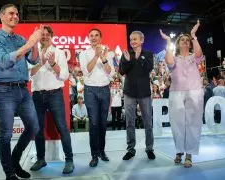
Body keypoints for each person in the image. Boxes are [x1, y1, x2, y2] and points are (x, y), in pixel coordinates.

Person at [0, 4, 41, 180]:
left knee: (33, 127)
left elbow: (34, 60)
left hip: (23, 90)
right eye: (11, 13)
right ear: (2, 16)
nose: (15, 16)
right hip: (4, 90)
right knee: (6, 134)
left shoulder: (20, 39)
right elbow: (3, 61)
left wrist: (34, 44)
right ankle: (9, 173)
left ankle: (15, 161)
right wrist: (30, 43)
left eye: (17, 14)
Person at [29, 25, 74, 174]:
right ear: (39, 37)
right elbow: (30, 74)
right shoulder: (33, 54)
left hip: (54, 94)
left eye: (47, 34)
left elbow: (64, 76)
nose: (45, 37)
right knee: (38, 129)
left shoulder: (59, 52)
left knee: (62, 127)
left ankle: (69, 160)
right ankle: (41, 159)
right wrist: (41, 63)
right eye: (42, 34)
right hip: (37, 96)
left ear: (51, 36)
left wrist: (53, 63)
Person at [160, 20, 204, 168]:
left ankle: (189, 153)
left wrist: (193, 36)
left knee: (193, 123)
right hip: (176, 93)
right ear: (178, 44)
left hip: (195, 92)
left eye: (187, 41)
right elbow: (169, 61)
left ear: (190, 44)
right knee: (178, 124)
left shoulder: (193, 58)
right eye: (182, 40)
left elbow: (199, 54)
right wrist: (168, 42)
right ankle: (179, 151)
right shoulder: (175, 58)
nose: (185, 42)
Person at [79, 28, 115, 167]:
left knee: (102, 123)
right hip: (90, 91)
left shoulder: (108, 52)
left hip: (105, 90)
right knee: (94, 123)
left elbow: (111, 73)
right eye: (91, 36)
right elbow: (86, 70)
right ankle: (94, 155)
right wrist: (96, 56)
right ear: (89, 38)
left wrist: (104, 58)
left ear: (101, 37)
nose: (93, 38)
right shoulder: (83, 54)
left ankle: (102, 151)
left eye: (96, 35)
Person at [119, 31, 155, 161]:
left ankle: (149, 148)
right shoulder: (126, 54)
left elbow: (148, 69)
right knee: (129, 122)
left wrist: (139, 57)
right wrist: (127, 61)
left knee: (148, 122)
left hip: (144, 93)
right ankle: (130, 149)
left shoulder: (148, 54)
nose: (132, 41)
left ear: (142, 40)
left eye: (135, 39)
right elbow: (122, 71)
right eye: (131, 39)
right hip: (129, 93)